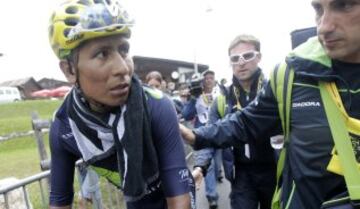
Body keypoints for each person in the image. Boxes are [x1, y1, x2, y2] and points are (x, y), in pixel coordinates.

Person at [180, 0, 360, 208]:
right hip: (243, 176)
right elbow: (245, 122)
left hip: (270, 172)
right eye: (318, 9)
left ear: (259, 58)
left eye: (345, 5)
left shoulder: (277, 79)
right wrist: (197, 138)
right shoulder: (288, 77)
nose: (324, 26)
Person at [48, 0, 195, 208]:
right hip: (136, 199)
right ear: (70, 70)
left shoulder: (157, 106)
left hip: (175, 195)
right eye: (102, 54)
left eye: (124, 50)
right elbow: (59, 201)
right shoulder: (64, 126)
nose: (123, 68)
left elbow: (180, 203)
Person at [193, 34, 277, 209]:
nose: (241, 62)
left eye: (247, 56)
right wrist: (200, 166)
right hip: (241, 173)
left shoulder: (275, 92)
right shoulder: (222, 100)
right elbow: (211, 133)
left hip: (275, 171)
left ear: (259, 57)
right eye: (235, 58)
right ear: (230, 62)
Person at [181, 70, 220, 209]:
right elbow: (186, 115)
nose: (209, 80)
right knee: (209, 167)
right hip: (203, 136)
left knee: (217, 167)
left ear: (214, 80)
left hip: (220, 133)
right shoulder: (196, 96)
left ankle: (214, 186)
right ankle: (212, 197)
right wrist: (192, 98)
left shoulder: (220, 93)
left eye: (211, 77)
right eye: (206, 78)